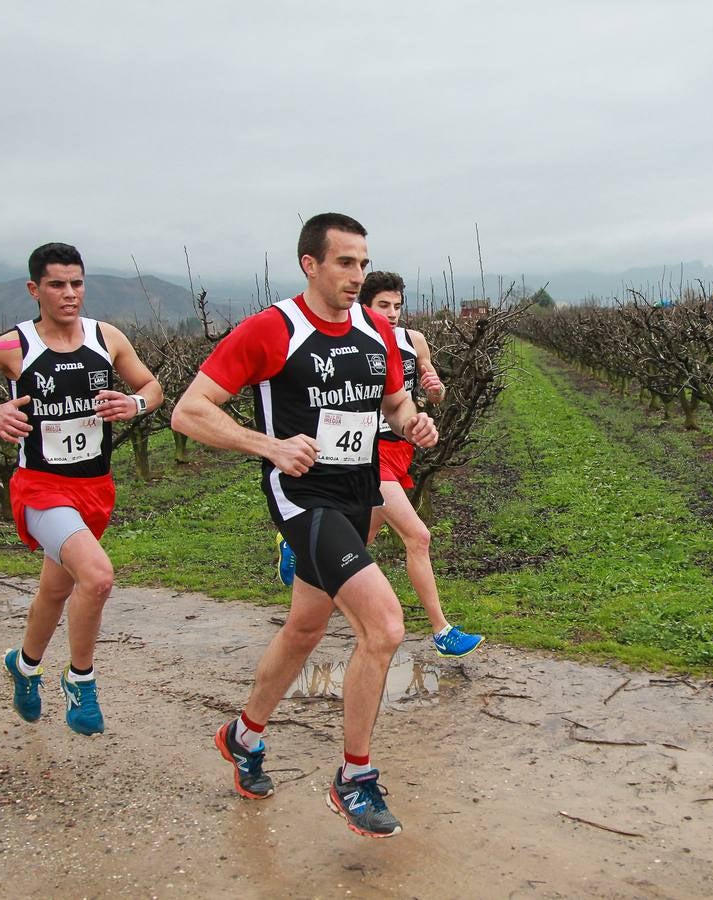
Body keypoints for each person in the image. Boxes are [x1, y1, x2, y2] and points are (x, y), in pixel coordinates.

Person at [171, 213, 437, 838]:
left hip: (357, 495)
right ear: (309, 264)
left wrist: (411, 421)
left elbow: (393, 401)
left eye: (363, 263)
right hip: (302, 499)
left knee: (305, 627)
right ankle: (355, 777)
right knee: (385, 625)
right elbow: (189, 411)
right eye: (345, 263)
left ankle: (243, 735)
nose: (357, 276)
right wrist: (267, 446)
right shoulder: (273, 329)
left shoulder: (376, 330)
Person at [0, 242, 163, 736]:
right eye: (57, 285)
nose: (69, 294)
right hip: (40, 487)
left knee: (56, 590)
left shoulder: (108, 337)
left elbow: (152, 387)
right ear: (35, 290)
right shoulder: (13, 345)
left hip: (95, 489)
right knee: (97, 577)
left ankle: (25, 664)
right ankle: (81, 680)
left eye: (76, 283)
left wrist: (135, 405)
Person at [358, 271, 482, 658]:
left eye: (397, 305)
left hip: (402, 448)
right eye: (383, 306)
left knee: (361, 539)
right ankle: (442, 631)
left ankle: (301, 544)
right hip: (368, 450)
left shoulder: (415, 340)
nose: (392, 313)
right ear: (366, 305)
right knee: (419, 537)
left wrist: (435, 389)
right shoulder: (357, 340)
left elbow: (436, 392)